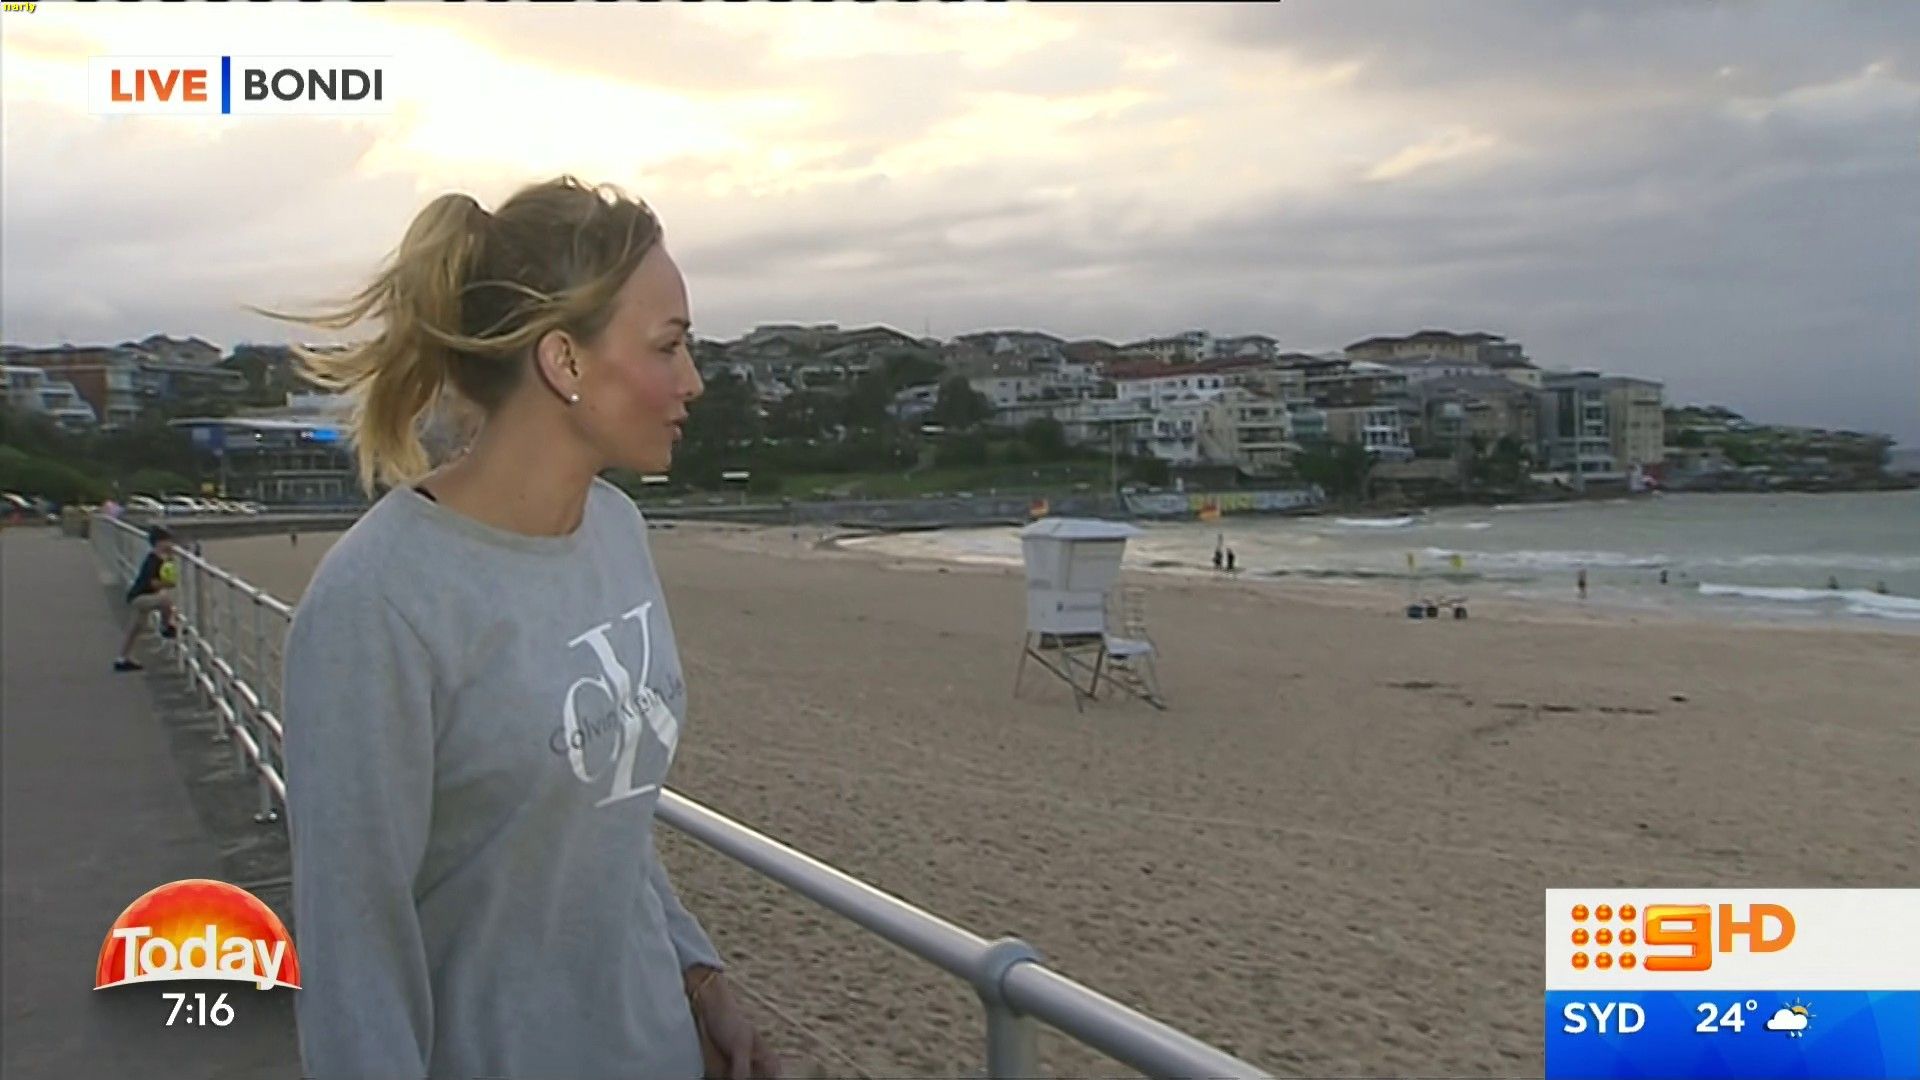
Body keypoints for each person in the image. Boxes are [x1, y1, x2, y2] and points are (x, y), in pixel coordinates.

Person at [268, 178, 779, 1080]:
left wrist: (699, 978)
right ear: (564, 361)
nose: (693, 381)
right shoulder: (378, 607)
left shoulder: (616, 529)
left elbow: (604, 815)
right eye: (668, 347)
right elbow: (355, 968)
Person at [114, 525, 179, 672]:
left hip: (139, 596)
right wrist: (169, 583)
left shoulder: (158, 559)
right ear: (159, 543)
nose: (171, 544)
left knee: (136, 628)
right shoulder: (153, 560)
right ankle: (166, 626)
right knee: (165, 601)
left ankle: (122, 658)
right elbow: (153, 583)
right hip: (141, 597)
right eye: (168, 541)